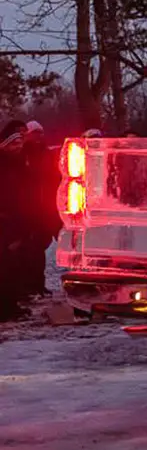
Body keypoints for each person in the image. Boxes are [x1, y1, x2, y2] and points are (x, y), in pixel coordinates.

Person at [19, 121, 62, 297]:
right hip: (28, 208)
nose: (37, 137)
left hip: (48, 206)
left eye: (40, 133)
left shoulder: (47, 154)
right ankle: (28, 285)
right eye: (34, 134)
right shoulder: (22, 155)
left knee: (40, 247)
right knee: (29, 249)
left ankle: (37, 284)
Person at [0, 120, 31, 320]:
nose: (18, 148)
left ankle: (11, 303)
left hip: (17, 217)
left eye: (20, 144)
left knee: (14, 264)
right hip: (4, 218)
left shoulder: (19, 164)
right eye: (14, 144)